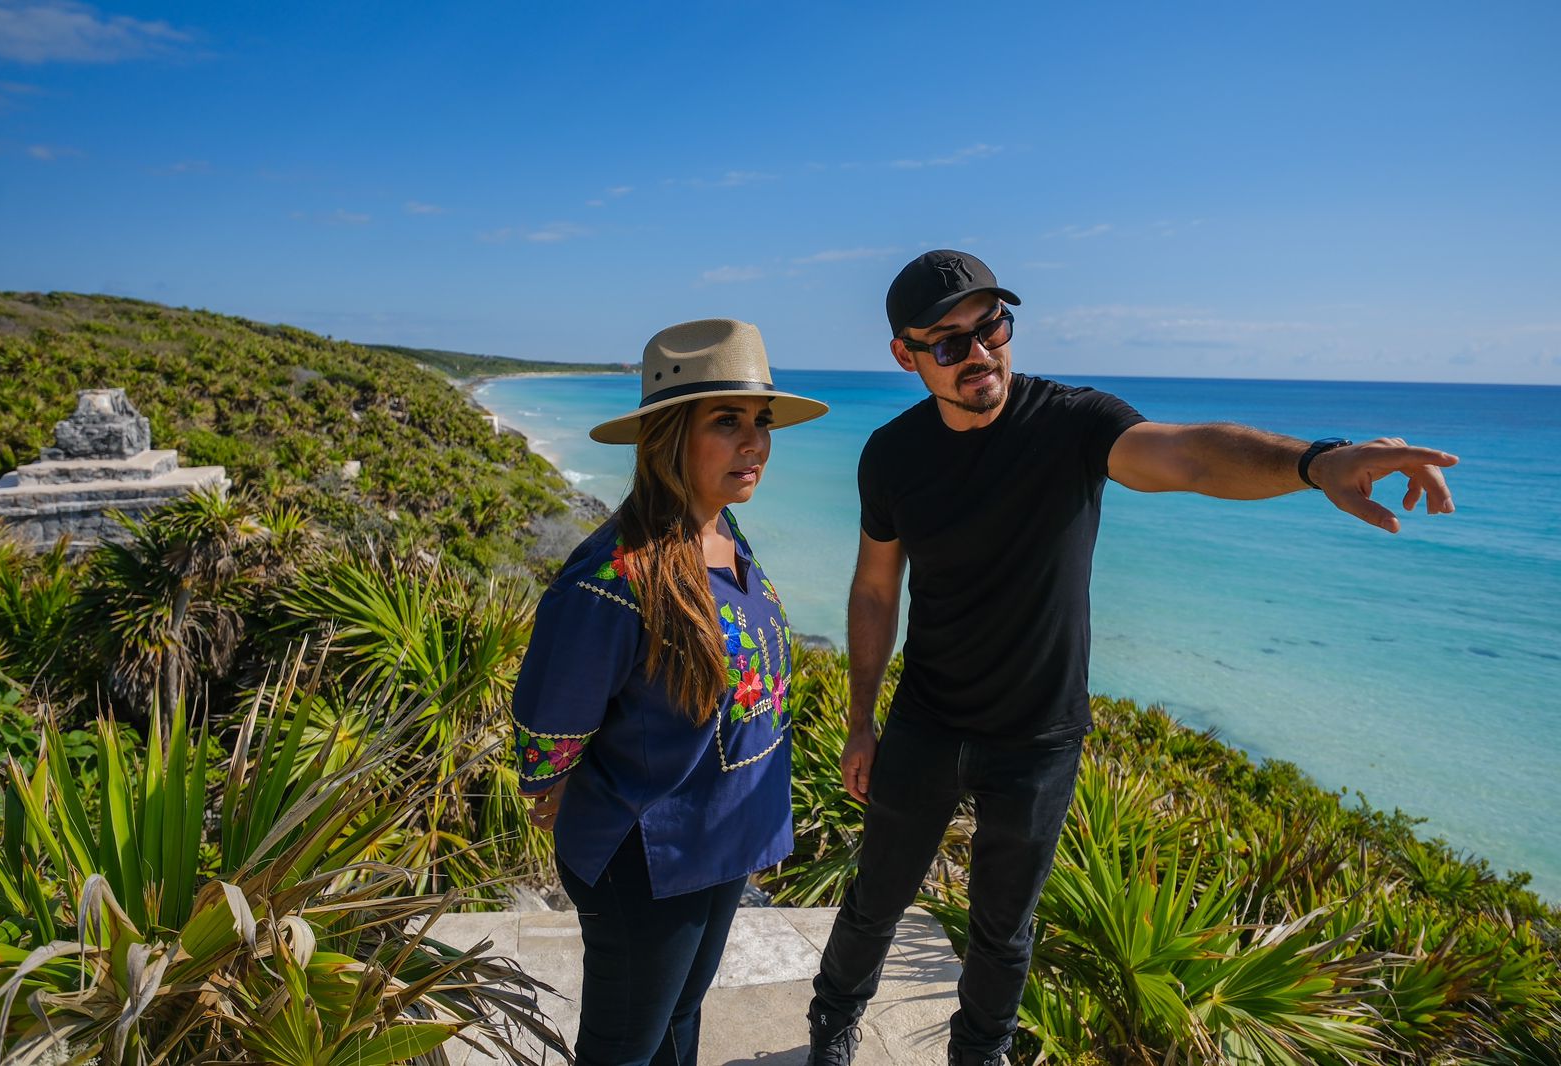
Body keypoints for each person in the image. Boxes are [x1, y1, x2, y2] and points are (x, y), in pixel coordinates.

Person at [804, 250, 1458, 1066]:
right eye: (950, 343)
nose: (980, 354)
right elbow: (874, 588)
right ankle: (832, 1022)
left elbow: (1188, 454)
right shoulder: (891, 454)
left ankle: (978, 1055)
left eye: (993, 326)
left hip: (1038, 739)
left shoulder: (1072, 424)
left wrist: (1314, 463)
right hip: (927, 722)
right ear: (906, 355)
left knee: (1004, 931)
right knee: (877, 900)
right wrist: (862, 721)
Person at [513, 318, 828, 1066]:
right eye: (727, 423)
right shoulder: (615, 579)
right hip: (649, 858)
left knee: (679, 1018)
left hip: (720, 837)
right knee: (624, 1045)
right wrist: (552, 787)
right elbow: (550, 716)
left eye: (761, 422)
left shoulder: (725, 534)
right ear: (667, 437)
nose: (754, 443)